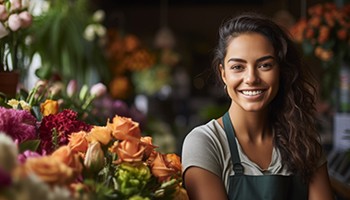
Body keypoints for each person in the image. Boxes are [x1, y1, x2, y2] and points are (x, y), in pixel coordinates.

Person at [181, 12, 334, 200]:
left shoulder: (303, 140)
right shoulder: (206, 143)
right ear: (223, 74)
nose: (251, 78)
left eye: (265, 65)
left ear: (280, 71)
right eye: (238, 67)